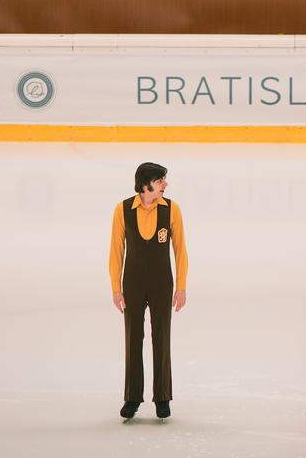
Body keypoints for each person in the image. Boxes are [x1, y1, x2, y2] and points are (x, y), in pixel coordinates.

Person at [109, 162, 188, 421]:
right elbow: (115, 252)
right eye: (161, 180)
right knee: (133, 338)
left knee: (161, 338)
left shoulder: (171, 210)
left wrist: (181, 287)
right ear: (146, 184)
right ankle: (132, 398)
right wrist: (116, 288)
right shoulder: (122, 210)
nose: (165, 184)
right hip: (132, 283)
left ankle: (162, 397)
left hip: (161, 282)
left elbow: (180, 250)